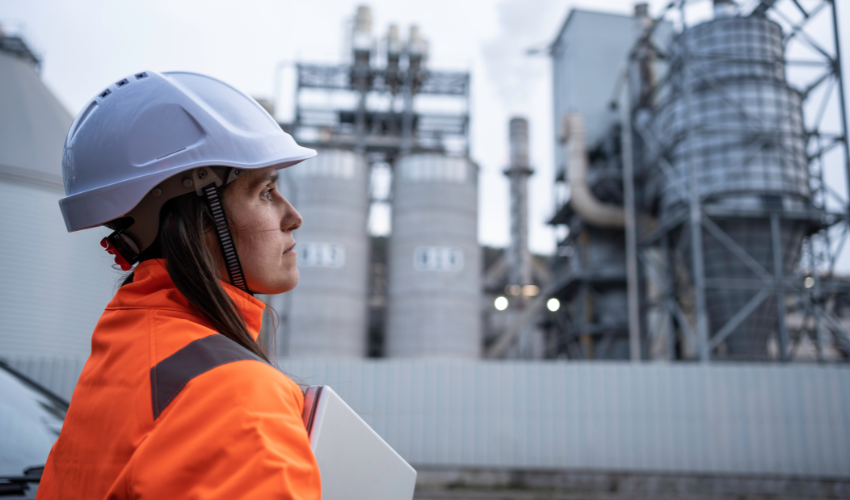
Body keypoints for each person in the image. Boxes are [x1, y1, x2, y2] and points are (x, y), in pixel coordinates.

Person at [36, 71, 321, 499]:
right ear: (198, 217)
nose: (292, 215)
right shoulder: (235, 394)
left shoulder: (128, 351)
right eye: (265, 191)